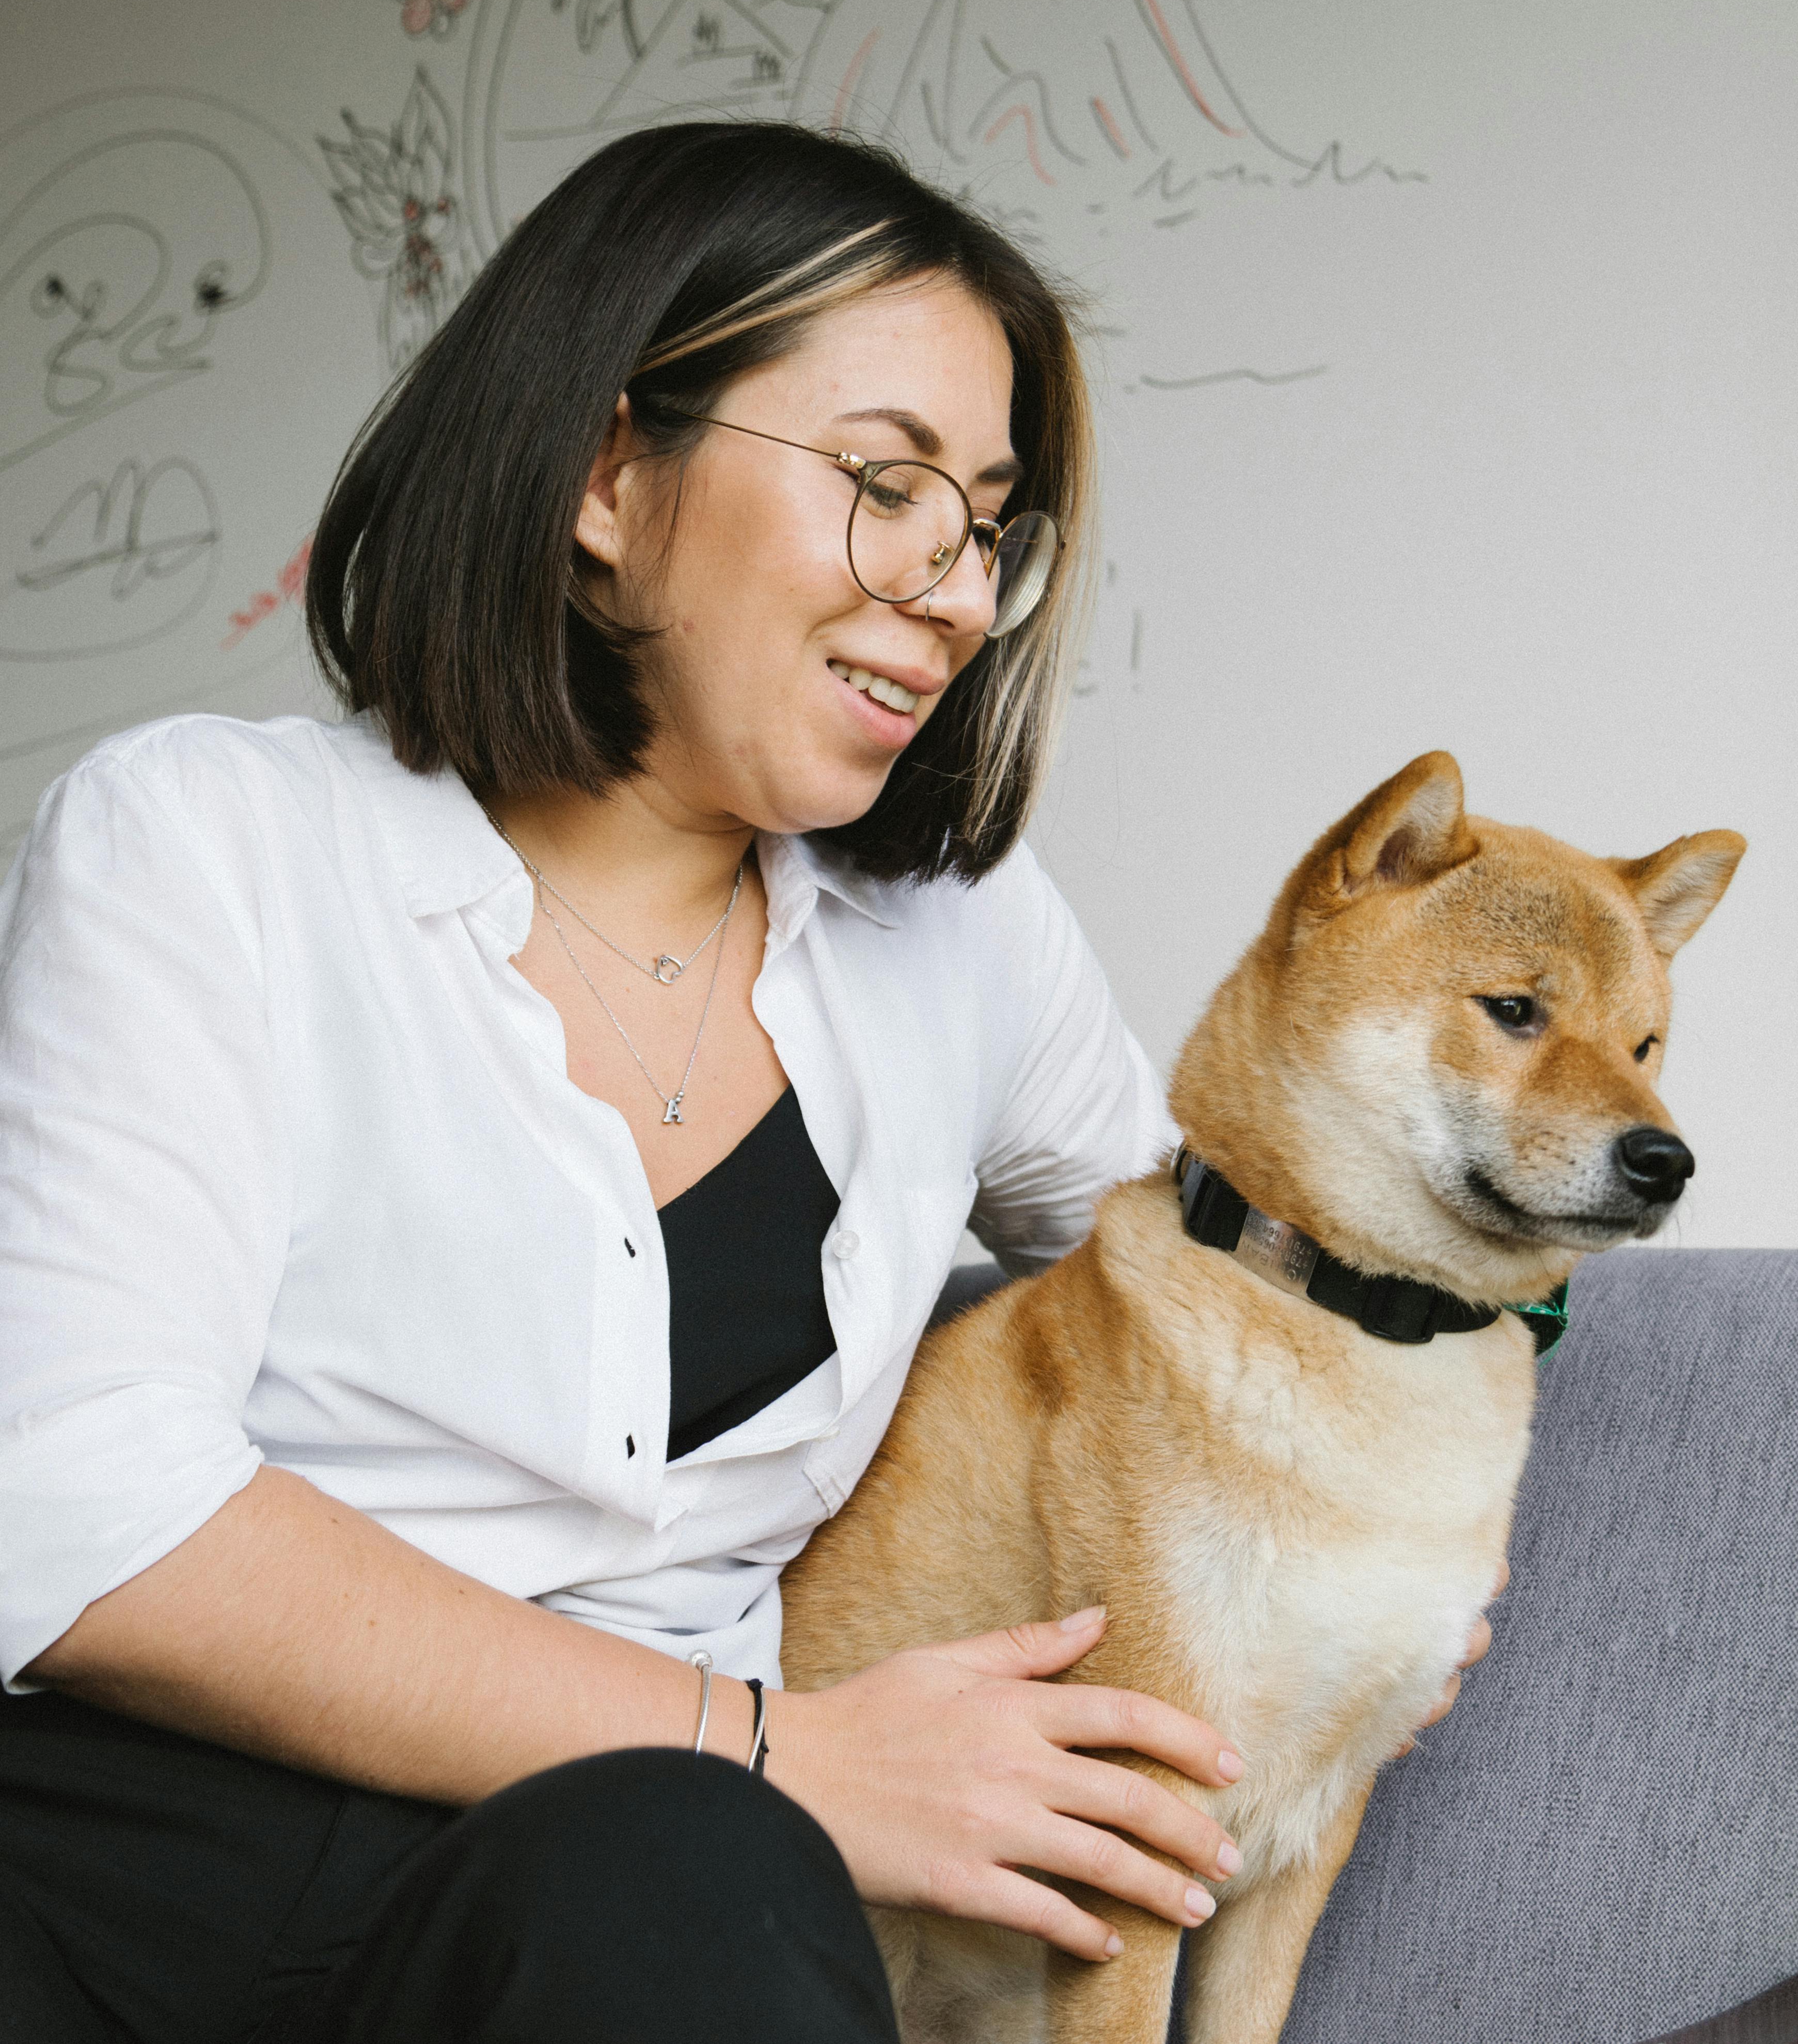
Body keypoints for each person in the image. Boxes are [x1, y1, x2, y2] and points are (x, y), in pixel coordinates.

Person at [0, 123, 1489, 2042]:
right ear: (611, 474)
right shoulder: (206, 842)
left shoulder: (962, 944)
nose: (954, 588)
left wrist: (1367, 1547)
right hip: (142, 1852)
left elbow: (1221, 1271)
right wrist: (785, 1750)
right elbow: (76, 1515)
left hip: (620, 1897)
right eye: (887, 485)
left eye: (986, 524)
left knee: (690, 1878)